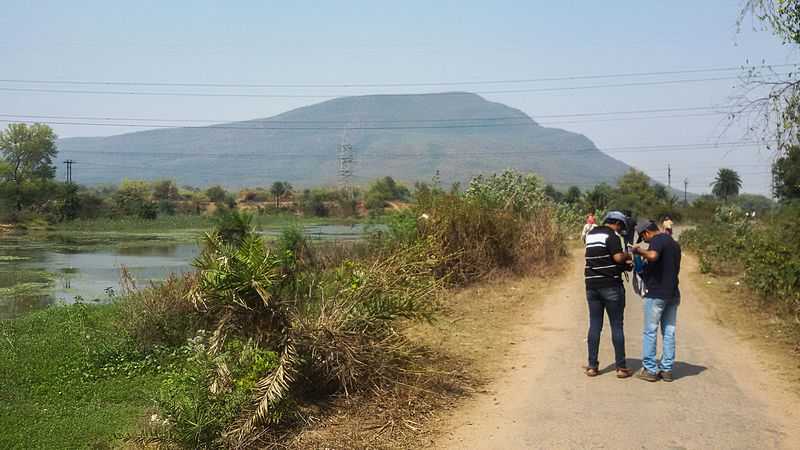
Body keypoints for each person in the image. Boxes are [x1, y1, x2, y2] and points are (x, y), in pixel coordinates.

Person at [583, 211, 633, 378]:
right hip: (611, 286)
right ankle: (621, 367)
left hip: (591, 286)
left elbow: (601, 259)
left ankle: (592, 366)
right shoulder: (611, 235)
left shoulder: (590, 235)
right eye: (620, 227)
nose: (620, 230)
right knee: (616, 326)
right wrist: (628, 256)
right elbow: (618, 258)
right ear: (617, 224)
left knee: (595, 325)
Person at [631, 221, 682, 382]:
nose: (644, 241)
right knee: (669, 331)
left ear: (647, 232)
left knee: (650, 331)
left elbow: (653, 255)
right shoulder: (673, 244)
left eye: (643, 237)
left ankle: (650, 369)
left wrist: (639, 251)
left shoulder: (657, 240)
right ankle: (667, 369)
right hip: (673, 294)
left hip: (657, 294)